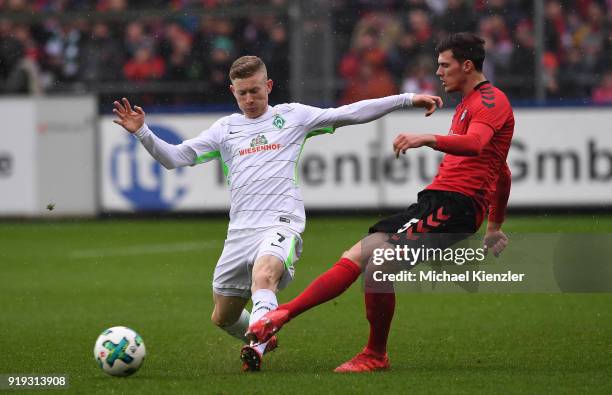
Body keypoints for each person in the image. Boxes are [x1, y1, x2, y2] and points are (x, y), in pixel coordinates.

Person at [111, 55, 442, 371]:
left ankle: (256, 346)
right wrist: (142, 132)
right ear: (233, 92)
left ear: (268, 85)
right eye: (243, 93)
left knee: (264, 276)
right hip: (240, 231)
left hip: (281, 221)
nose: (250, 98)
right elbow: (175, 157)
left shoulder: (293, 116)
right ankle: (262, 336)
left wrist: (406, 99)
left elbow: (348, 113)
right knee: (223, 316)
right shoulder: (225, 130)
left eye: (256, 90)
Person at [248, 32, 515, 372]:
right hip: (437, 201)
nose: (438, 72)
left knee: (379, 265)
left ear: (466, 65)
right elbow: (502, 172)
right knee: (357, 254)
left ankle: (371, 353)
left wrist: (427, 138)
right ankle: (282, 315)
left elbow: (477, 145)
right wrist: (495, 227)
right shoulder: (469, 105)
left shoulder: (491, 101)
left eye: (444, 65)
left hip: (456, 206)